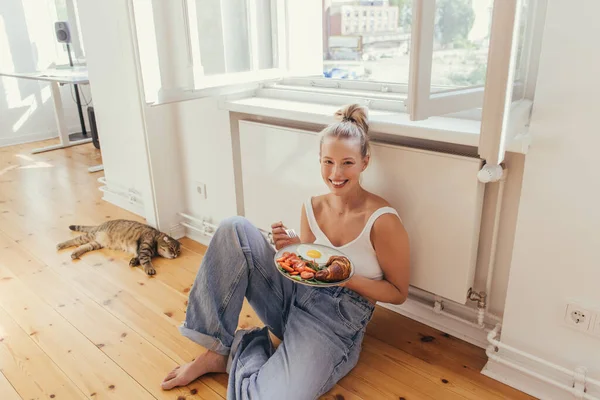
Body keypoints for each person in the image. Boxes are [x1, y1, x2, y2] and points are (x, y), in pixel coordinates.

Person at [161, 104, 410, 399]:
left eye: (347, 163)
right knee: (234, 228)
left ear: (364, 162)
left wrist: (342, 280)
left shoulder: (382, 220)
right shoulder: (312, 206)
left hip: (337, 321)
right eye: (328, 162)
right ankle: (217, 350)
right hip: (297, 299)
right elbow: (308, 272)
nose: (336, 173)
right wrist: (294, 250)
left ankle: (241, 350)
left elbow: (398, 292)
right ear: (319, 160)